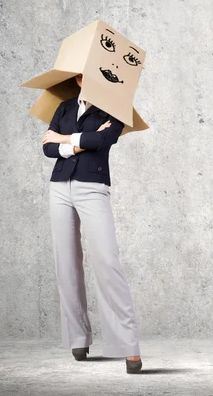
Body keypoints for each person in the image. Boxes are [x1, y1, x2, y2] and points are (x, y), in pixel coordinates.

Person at [41, 74, 143, 374]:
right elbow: (47, 148)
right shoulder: (65, 107)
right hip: (59, 188)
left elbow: (103, 140)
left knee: (107, 261)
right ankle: (78, 337)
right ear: (80, 77)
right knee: (66, 262)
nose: (90, 78)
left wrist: (62, 139)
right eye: (85, 73)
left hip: (92, 187)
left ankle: (129, 347)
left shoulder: (113, 108)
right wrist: (73, 143)